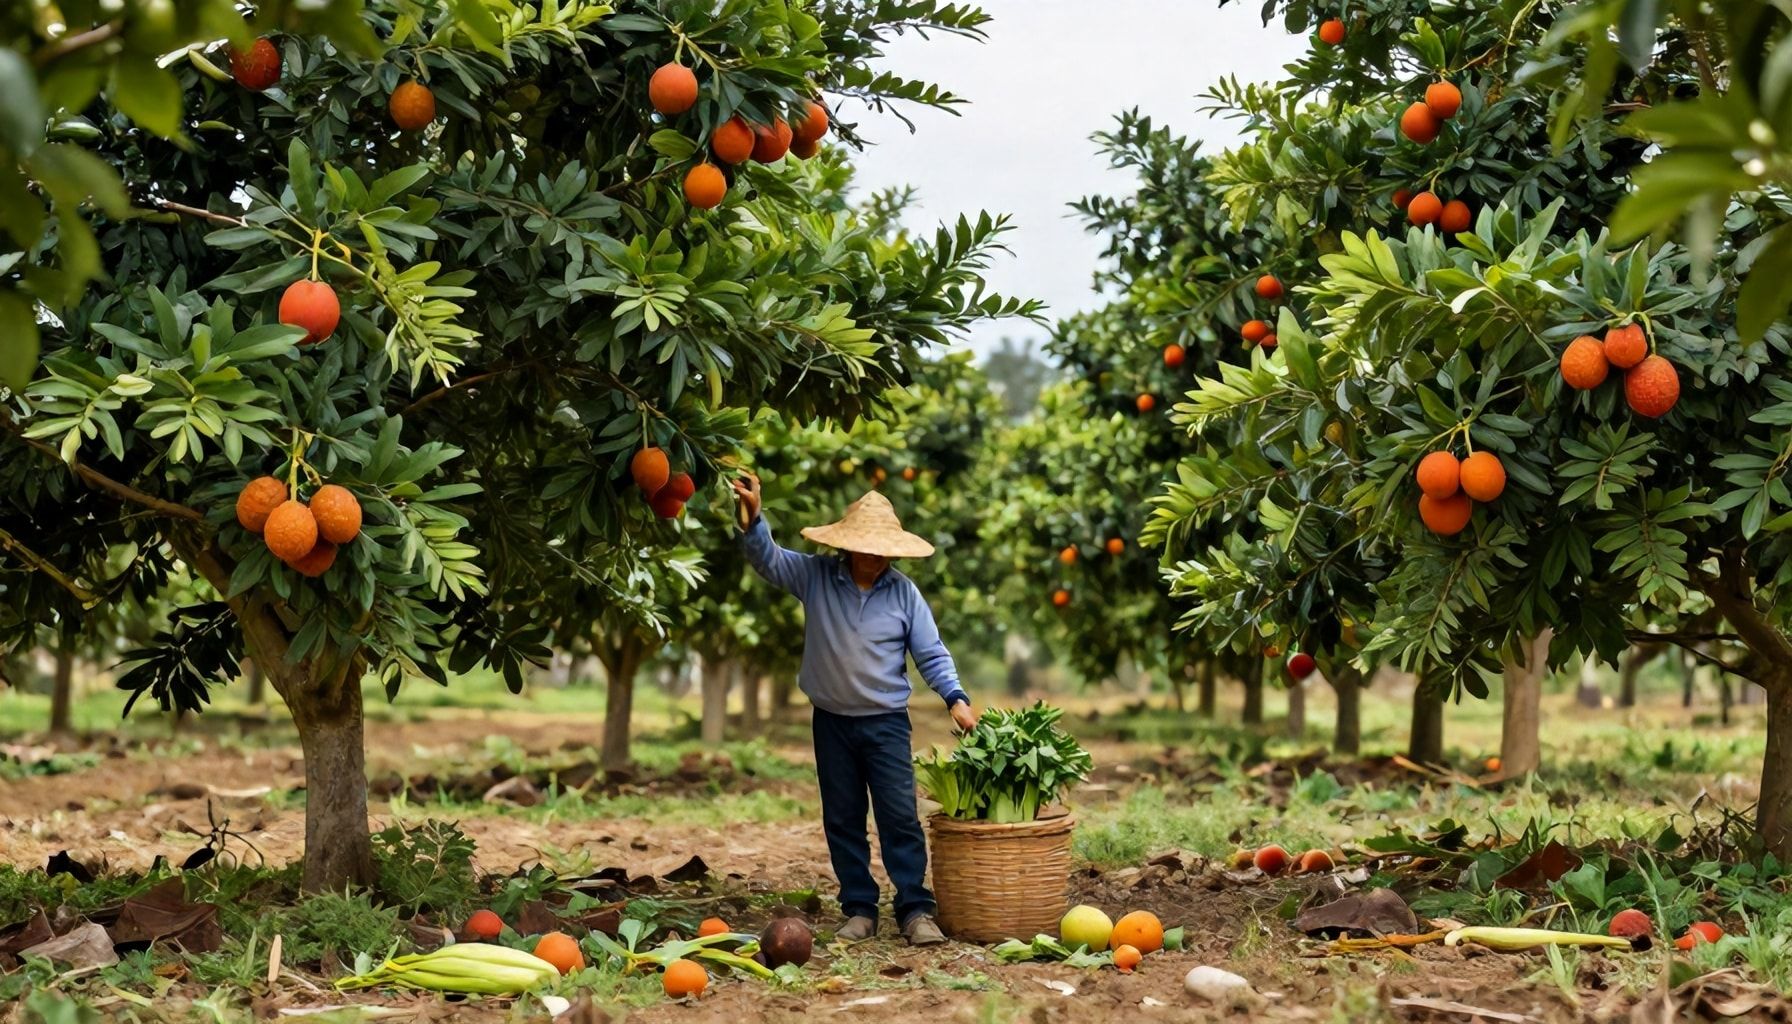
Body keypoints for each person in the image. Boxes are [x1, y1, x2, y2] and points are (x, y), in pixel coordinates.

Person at [731, 473, 976, 946]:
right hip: (832, 723)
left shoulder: (904, 593)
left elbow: (931, 652)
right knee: (842, 816)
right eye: (865, 545)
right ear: (846, 545)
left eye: (882, 548)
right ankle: (860, 908)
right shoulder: (816, 576)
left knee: (898, 815)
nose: (874, 555)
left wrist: (956, 698)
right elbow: (768, 559)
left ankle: (914, 909)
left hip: (885, 724)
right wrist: (755, 518)